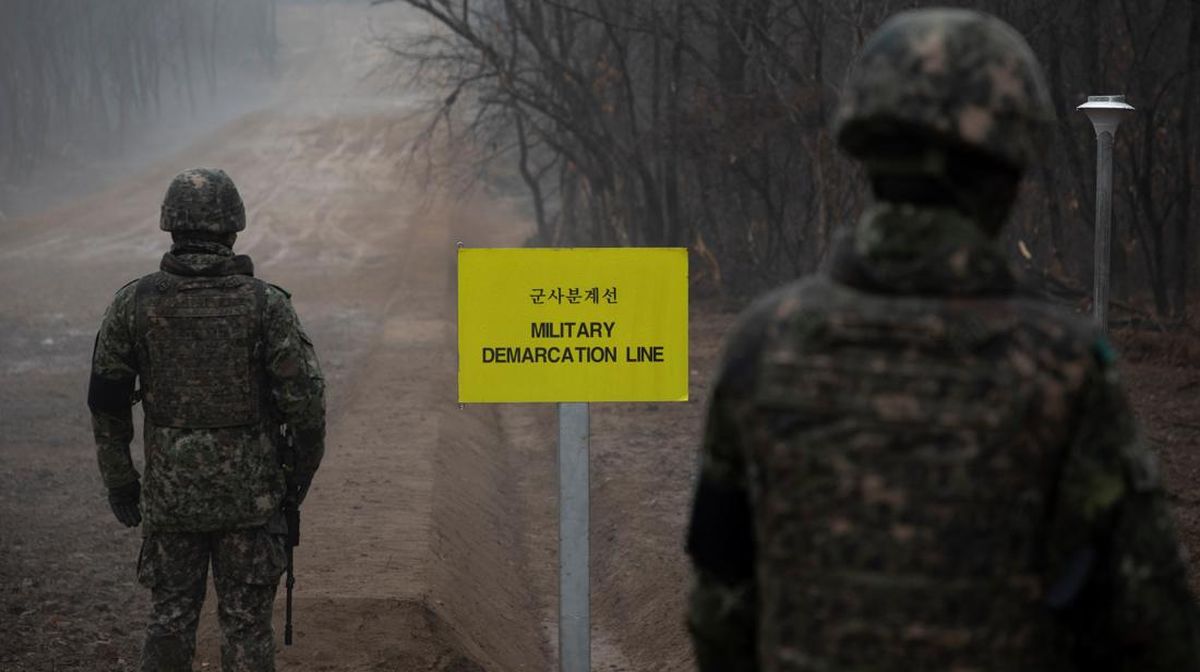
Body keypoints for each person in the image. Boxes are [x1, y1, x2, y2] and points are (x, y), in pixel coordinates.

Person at [685, 8, 1200, 671]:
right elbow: (1152, 625)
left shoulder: (763, 342)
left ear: (866, 153)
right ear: (1007, 171)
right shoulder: (1065, 364)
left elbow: (719, 610)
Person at [87, 168, 326, 672]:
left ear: (169, 225)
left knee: (169, 620)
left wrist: (121, 483)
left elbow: (106, 402)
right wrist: (294, 482)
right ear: (233, 226)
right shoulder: (267, 305)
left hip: (170, 504)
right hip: (252, 504)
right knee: (245, 626)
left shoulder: (133, 303)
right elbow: (306, 406)